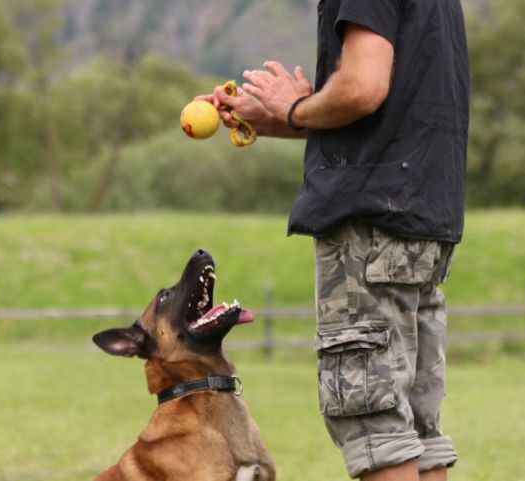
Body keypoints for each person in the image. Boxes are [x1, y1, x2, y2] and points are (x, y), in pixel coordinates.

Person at [196, 1, 468, 480]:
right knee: (415, 430)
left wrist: (296, 106)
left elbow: (362, 88)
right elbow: (389, 114)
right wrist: (281, 117)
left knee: (375, 425)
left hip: (369, 231)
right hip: (422, 218)